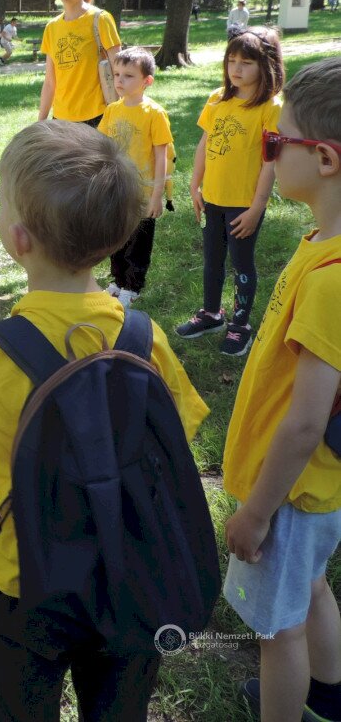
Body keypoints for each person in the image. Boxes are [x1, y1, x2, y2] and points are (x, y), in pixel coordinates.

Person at [0, 120, 208, 722]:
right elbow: (174, 446)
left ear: (18, 237)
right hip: (128, 569)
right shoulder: (147, 340)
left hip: (20, 582)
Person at [222, 56, 341, 722]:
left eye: (276, 141)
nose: (269, 153)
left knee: (277, 629)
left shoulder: (331, 280)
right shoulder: (323, 242)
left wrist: (257, 513)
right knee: (312, 586)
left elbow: (304, 424)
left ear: (323, 158)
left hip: (289, 494)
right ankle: (329, 693)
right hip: (319, 488)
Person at [176, 28, 284, 357]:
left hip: (244, 205)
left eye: (246, 62)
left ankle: (240, 325)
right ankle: (211, 314)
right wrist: (195, 185)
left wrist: (256, 208)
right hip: (212, 199)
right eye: (231, 60)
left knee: (241, 263)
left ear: (266, 66)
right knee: (212, 260)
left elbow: (270, 163)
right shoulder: (217, 98)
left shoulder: (271, 108)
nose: (236, 68)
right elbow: (204, 144)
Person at [98, 46, 173, 307]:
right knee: (117, 238)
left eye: (128, 76)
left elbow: (162, 157)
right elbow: (103, 147)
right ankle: (117, 281)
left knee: (138, 242)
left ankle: (132, 286)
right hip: (117, 189)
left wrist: (156, 196)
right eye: (117, 74)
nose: (120, 80)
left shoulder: (154, 113)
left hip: (143, 191)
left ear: (146, 81)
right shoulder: (112, 110)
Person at [38, 0, 120, 127]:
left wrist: (125, 113)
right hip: (61, 120)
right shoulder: (52, 27)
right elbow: (50, 83)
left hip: (97, 117)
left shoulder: (101, 20)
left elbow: (119, 71)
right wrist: (40, 123)